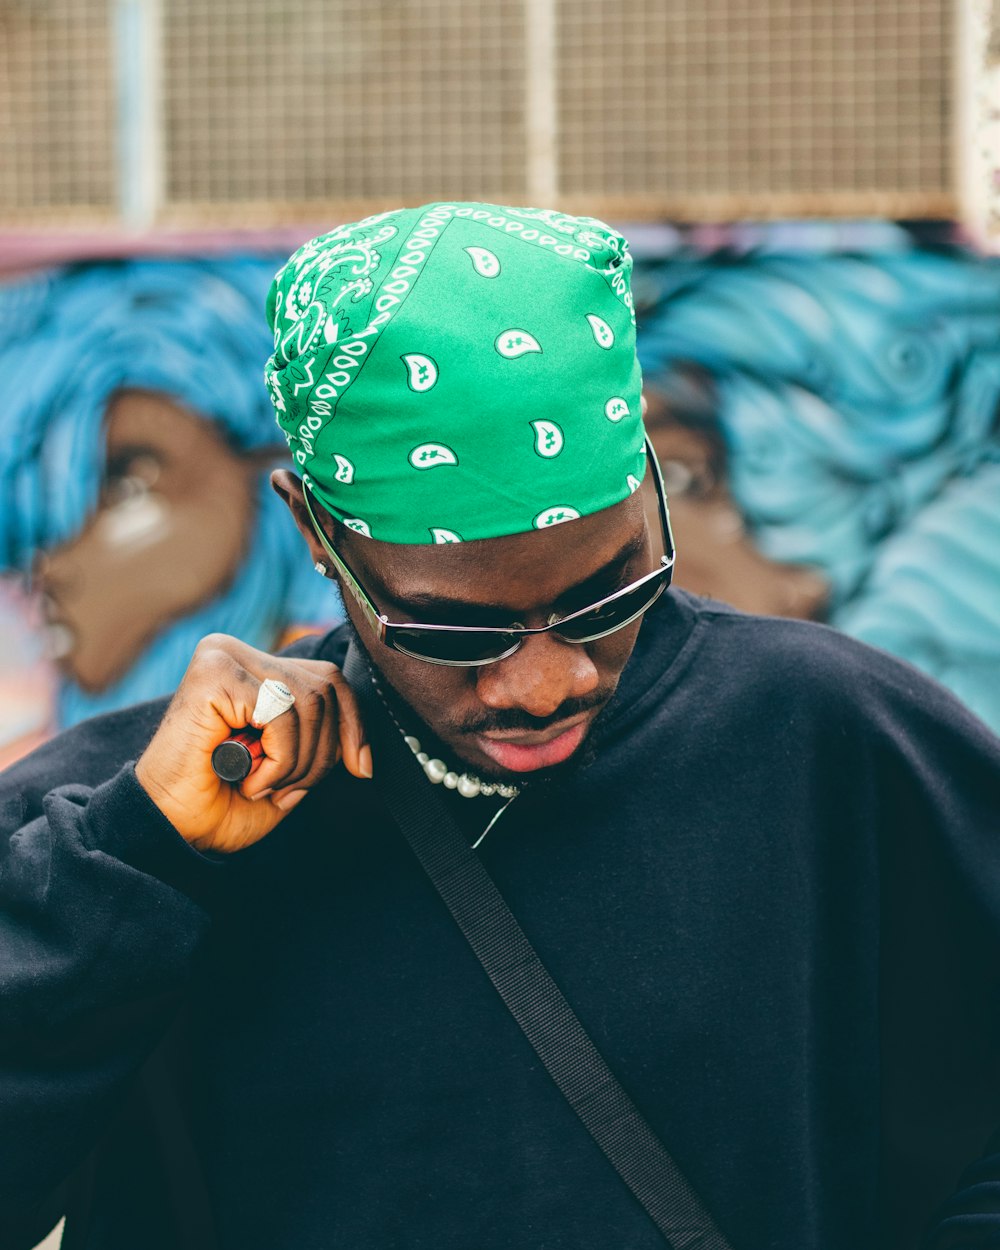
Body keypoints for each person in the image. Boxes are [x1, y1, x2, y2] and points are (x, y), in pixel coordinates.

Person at [2, 203, 1000, 1250]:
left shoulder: (832, 739)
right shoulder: (127, 824)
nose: (542, 680)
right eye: (454, 625)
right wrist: (139, 855)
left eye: (608, 592)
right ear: (316, 532)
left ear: (647, 490)